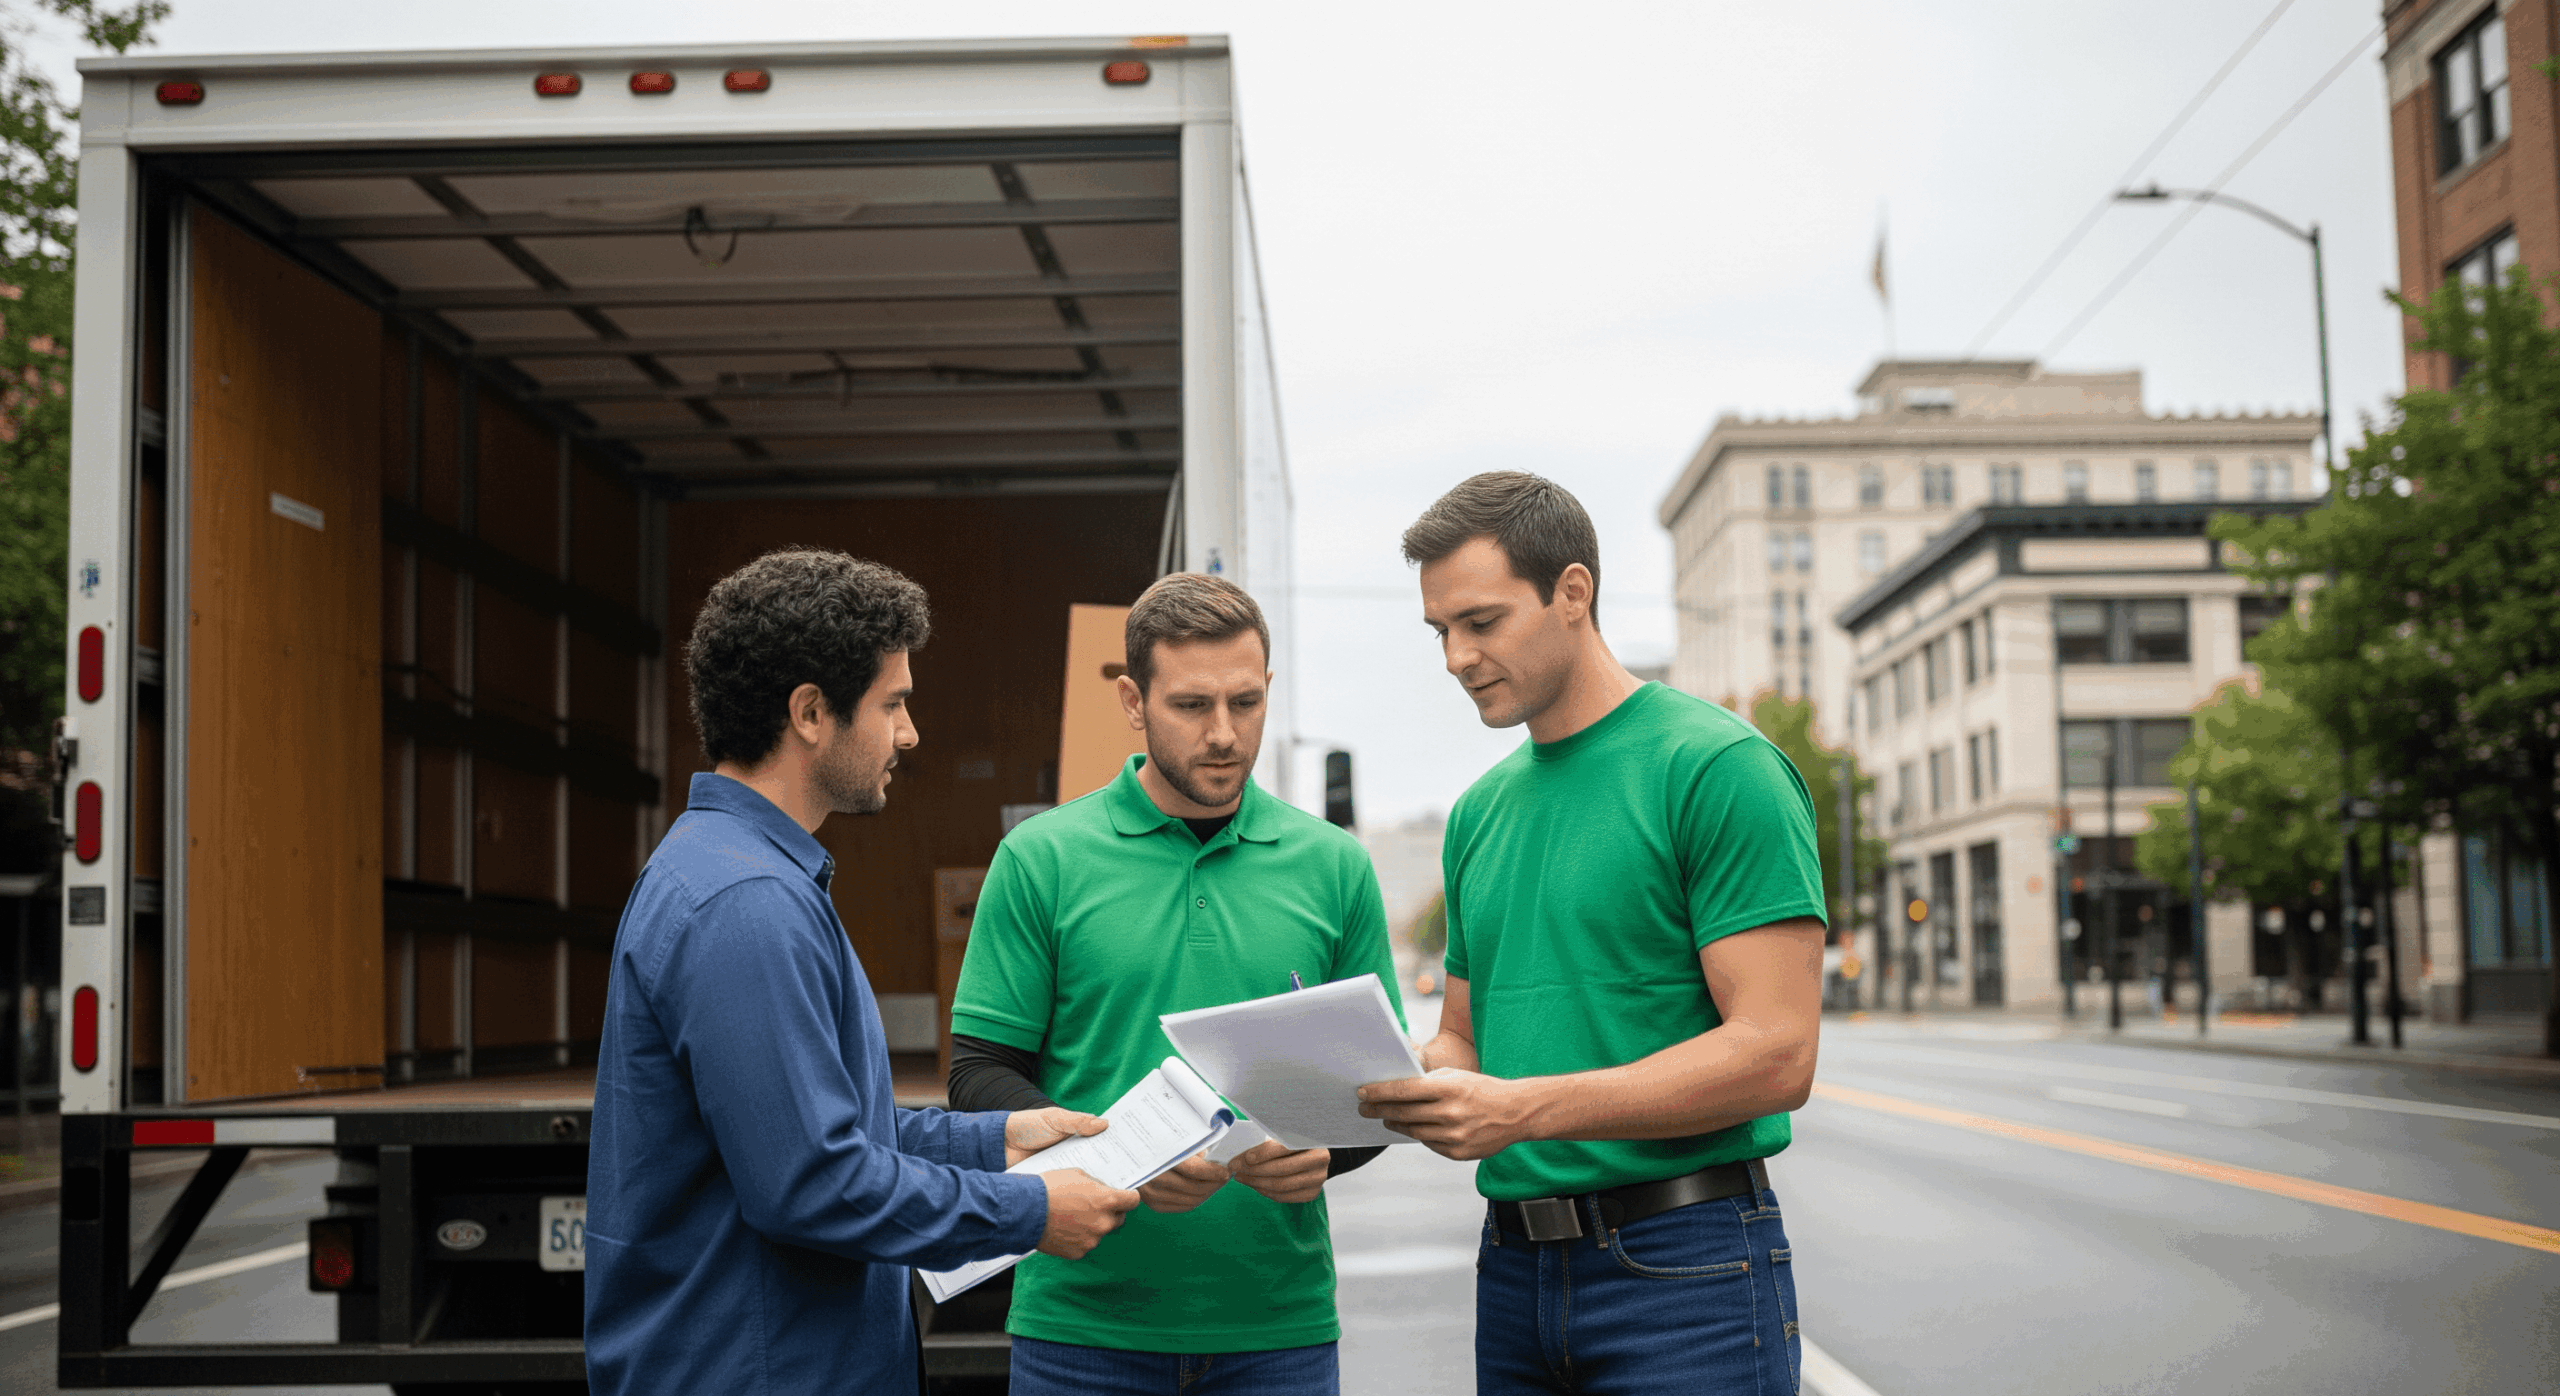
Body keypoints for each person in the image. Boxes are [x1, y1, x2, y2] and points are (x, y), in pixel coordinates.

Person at [585, 549, 1142, 1396]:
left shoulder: (735, 873)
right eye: (894, 704)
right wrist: (1029, 1211)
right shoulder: (745, 904)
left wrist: (995, 1140)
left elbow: (819, 1125)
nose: (909, 735)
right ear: (811, 712)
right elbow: (812, 1184)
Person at [1357, 473, 1827, 1395]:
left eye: (1481, 623)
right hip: (1515, 1271)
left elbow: (1778, 1056)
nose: (1455, 657)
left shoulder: (1719, 769)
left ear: (1573, 593)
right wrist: (1381, 1084)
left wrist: (1522, 1109)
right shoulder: (1477, 814)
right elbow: (1465, 1039)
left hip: (1684, 1271)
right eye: (1439, 632)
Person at [946, 572, 1400, 1396]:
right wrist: (1118, 1159)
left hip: (1279, 1332)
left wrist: (1329, 1158)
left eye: (1245, 703)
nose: (1224, 734)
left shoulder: (1333, 866)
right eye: (1192, 706)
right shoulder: (1043, 858)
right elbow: (977, 1079)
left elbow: (1378, 1093)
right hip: (1080, 1329)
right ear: (1132, 701)